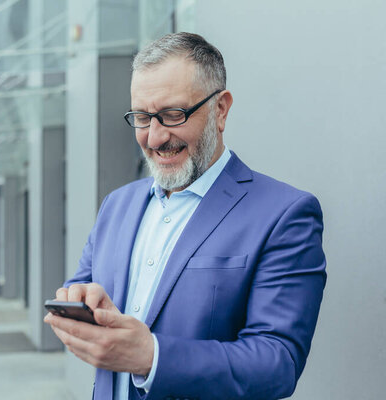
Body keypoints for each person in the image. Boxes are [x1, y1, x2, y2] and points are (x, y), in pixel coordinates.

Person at [44, 32, 326, 400]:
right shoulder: (117, 204)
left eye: (173, 114)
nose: (155, 137)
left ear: (220, 110)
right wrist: (82, 300)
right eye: (142, 117)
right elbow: (84, 285)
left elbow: (277, 363)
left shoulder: (284, 214)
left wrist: (152, 357)